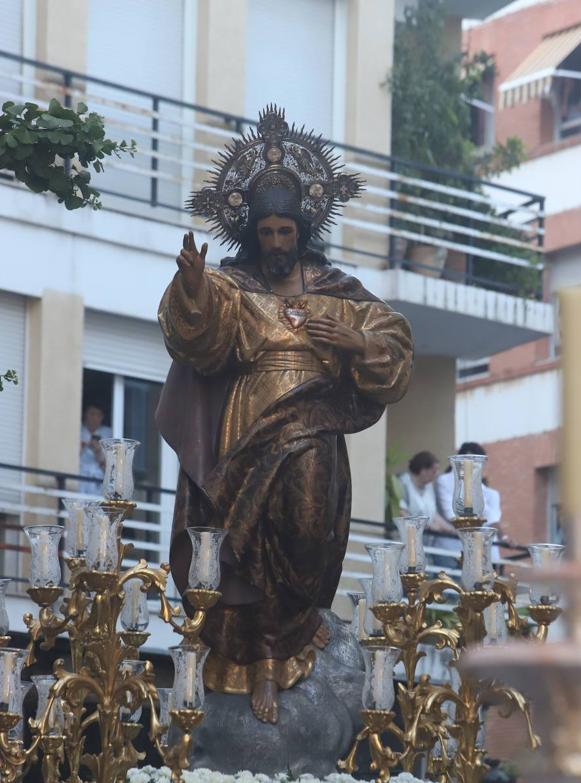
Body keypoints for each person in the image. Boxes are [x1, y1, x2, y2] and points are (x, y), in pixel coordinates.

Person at [156, 107, 413, 725]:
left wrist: (356, 344)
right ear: (254, 232)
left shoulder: (337, 290)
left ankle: (295, 632)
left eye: (285, 231)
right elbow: (197, 337)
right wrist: (193, 288)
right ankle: (263, 657)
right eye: (266, 231)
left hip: (313, 429)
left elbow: (397, 344)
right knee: (243, 547)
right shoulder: (233, 286)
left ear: (303, 230)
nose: (275, 243)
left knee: (304, 534)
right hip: (245, 427)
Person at [435, 441, 507, 566]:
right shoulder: (444, 480)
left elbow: (487, 512)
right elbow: (450, 513)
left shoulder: (476, 483)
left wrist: (503, 536)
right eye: (475, 461)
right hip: (449, 548)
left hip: (473, 550)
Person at [394, 450, 456, 535]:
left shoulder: (429, 486)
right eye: (434, 471)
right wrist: (427, 526)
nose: (436, 474)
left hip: (427, 538)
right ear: (423, 470)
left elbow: (433, 515)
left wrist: (453, 530)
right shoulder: (403, 484)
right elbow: (401, 513)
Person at [79, 404, 111, 494]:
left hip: (99, 481)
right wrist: (83, 446)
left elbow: (112, 470)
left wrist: (98, 451)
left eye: (98, 415)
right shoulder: (78, 430)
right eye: (92, 414)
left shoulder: (108, 433)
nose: (95, 418)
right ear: (85, 415)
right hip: (80, 478)